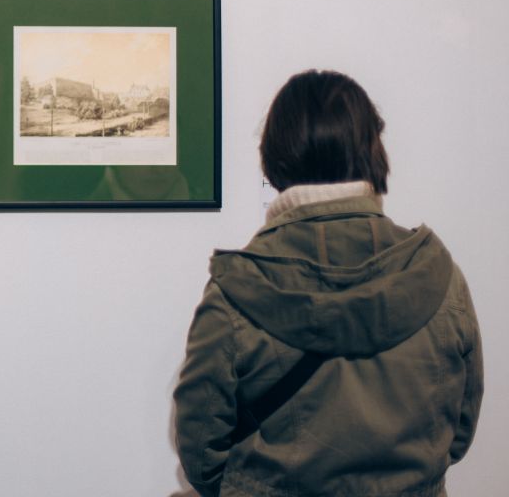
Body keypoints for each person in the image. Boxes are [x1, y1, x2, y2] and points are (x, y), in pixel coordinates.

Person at [174, 70, 482, 497]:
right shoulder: (436, 273)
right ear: (373, 149)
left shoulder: (237, 289)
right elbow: (459, 432)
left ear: (273, 157)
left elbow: (200, 453)